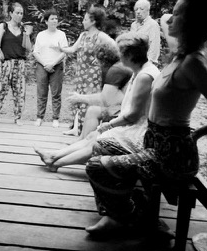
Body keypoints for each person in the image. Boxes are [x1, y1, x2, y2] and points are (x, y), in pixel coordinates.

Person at [84, 0, 207, 237]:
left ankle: (128, 217)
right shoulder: (180, 54)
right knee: (102, 145)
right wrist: (180, 11)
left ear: (192, 22)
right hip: (153, 144)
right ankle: (126, 215)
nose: (168, 19)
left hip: (171, 156)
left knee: (96, 167)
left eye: (177, 14)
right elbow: (164, 20)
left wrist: (196, 134)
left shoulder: (193, 62)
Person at [34, 32, 158, 172]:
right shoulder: (138, 71)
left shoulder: (145, 76)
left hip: (138, 131)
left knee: (97, 140)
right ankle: (53, 156)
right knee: (92, 136)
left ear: (130, 56)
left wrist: (109, 125)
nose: (118, 56)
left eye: (121, 53)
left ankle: (56, 163)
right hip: (129, 125)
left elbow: (132, 115)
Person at [65, 34, 132, 138]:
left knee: (93, 111)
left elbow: (105, 100)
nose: (94, 61)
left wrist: (80, 98)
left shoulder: (116, 70)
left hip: (126, 111)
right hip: (124, 106)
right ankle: (81, 141)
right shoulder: (118, 66)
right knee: (93, 110)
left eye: (96, 58)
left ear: (104, 58)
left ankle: (85, 142)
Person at [59, 6, 108, 136]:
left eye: (85, 19)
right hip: (80, 73)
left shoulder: (100, 36)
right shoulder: (83, 35)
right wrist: (61, 48)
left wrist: (100, 60)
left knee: (89, 99)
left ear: (93, 21)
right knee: (78, 98)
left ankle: (87, 131)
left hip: (93, 74)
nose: (83, 21)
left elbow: (113, 49)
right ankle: (76, 128)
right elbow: (73, 49)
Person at [0, 3, 32, 126]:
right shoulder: (3, 26)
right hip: (6, 63)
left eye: (21, 13)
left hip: (20, 63)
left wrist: (27, 34)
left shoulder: (24, 29)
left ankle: (18, 117)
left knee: (20, 91)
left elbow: (28, 48)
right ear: (11, 13)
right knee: (0, 90)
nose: (20, 15)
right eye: (17, 13)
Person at [32, 9, 69, 128]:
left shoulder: (61, 34)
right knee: (41, 93)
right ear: (46, 21)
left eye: (56, 19)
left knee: (56, 93)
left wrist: (52, 64)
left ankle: (55, 118)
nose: (54, 21)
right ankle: (39, 117)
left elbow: (64, 52)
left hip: (56, 66)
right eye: (52, 19)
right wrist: (45, 64)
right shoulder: (41, 35)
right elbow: (35, 52)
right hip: (42, 66)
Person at [130, 0, 161, 67]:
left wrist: (149, 63)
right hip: (133, 63)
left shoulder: (153, 25)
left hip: (146, 63)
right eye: (136, 9)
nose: (138, 12)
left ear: (148, 10)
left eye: (141, 9)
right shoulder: (133, 25)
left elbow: (154, 46)